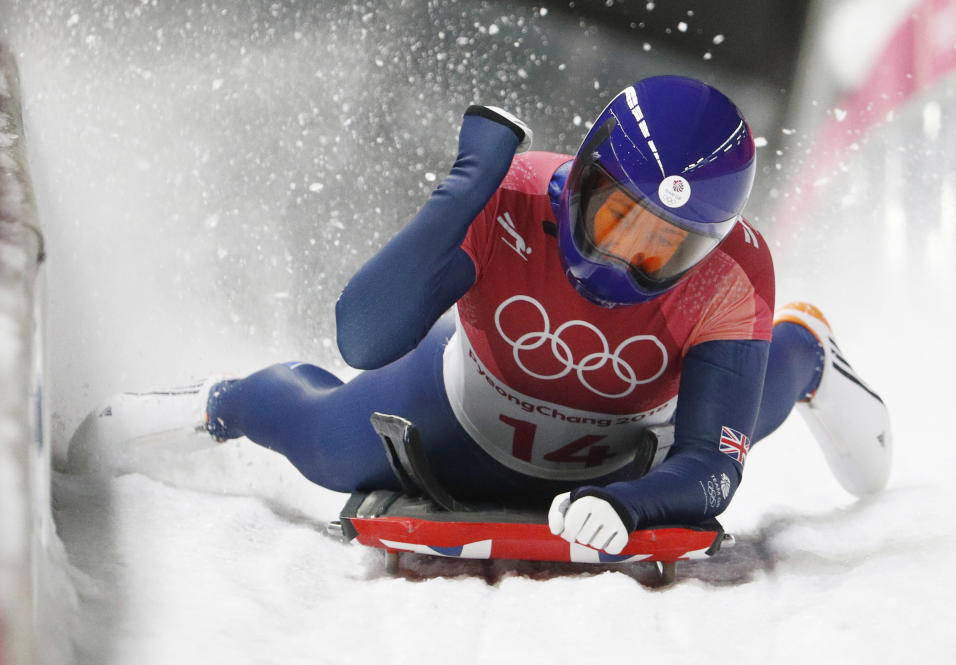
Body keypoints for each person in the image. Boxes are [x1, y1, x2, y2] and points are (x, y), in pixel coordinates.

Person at [80, 75, 892, 555]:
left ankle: (806, 348)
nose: (619, 257)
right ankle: (209, 405)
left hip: (629, 445)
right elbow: (363, 337)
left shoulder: (732, 272)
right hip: (465, 399)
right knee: (320, 434)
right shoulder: (508, 192)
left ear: (704, 247)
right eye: (615, 219)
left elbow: (714, 469)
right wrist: (465, 186)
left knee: (756, 400)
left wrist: (631, 504)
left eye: (659, 249)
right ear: (580, 176)